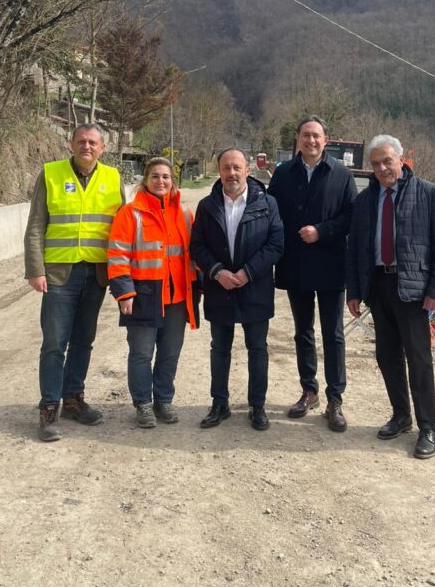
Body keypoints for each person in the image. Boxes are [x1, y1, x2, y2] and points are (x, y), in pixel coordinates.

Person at [346, 135, 435, 459]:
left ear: (401, 159)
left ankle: (428, 428)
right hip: (378, 286)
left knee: (419, 360)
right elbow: (355, 249)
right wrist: (354, 291)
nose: (382, 168)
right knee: (387, 356)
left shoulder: (429, 193)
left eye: (387, 161)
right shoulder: (365, 200)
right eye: (376, 164)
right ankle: (401, 415)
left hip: (414, 291)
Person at [24, 123, 125, 442]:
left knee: (84, 340)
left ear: (103, 148)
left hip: (96, 273)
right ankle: (49, 407)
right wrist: (35, 269)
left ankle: (73, 399)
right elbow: (36, 225)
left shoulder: (113, 178)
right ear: (71, 144)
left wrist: (123, 274)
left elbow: (123, 228)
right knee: (54, 343)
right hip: (59, 273)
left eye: (93, 142)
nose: (87, 146)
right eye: (81, 141)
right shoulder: (51, 174)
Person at [267, 116, 357, 432]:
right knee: (303, 331)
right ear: (297, 138)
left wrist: (321, 231)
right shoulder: (283, 174)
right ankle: (309, 390)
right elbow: (270, 213)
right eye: (306, 135)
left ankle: (335, 398)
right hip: (296, 264)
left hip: (331, 263)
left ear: (325, 139)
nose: (311, 140)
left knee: (333, 334)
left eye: (316, 135)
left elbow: (351, 216)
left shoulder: (341, 174)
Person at [189, 149, 284, 431]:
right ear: (219, 170)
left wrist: (247, 272)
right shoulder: (207, 206)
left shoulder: (267, 203)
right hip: (220, 287)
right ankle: (220, 403)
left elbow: (276, 245)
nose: (231, 173)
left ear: (247, 170)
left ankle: (258, 406)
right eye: (226, 168)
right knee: (220, 348)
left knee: (257, 349)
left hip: (255, 287)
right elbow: (197, 246)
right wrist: (217, 272)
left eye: (237, 167)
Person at [107, 157, 199, 428]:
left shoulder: (184, 214)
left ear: (173, 181)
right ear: (145, 181)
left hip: (177, 298)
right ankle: (143, 404)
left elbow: (195, 254)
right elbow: (117, 255)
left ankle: (163, 400)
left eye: (166, 177)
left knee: (170, 353)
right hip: (143, 296)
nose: (161, 181)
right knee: (141, 354)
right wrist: (124, 293)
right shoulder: (130, 214)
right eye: (155, 176)